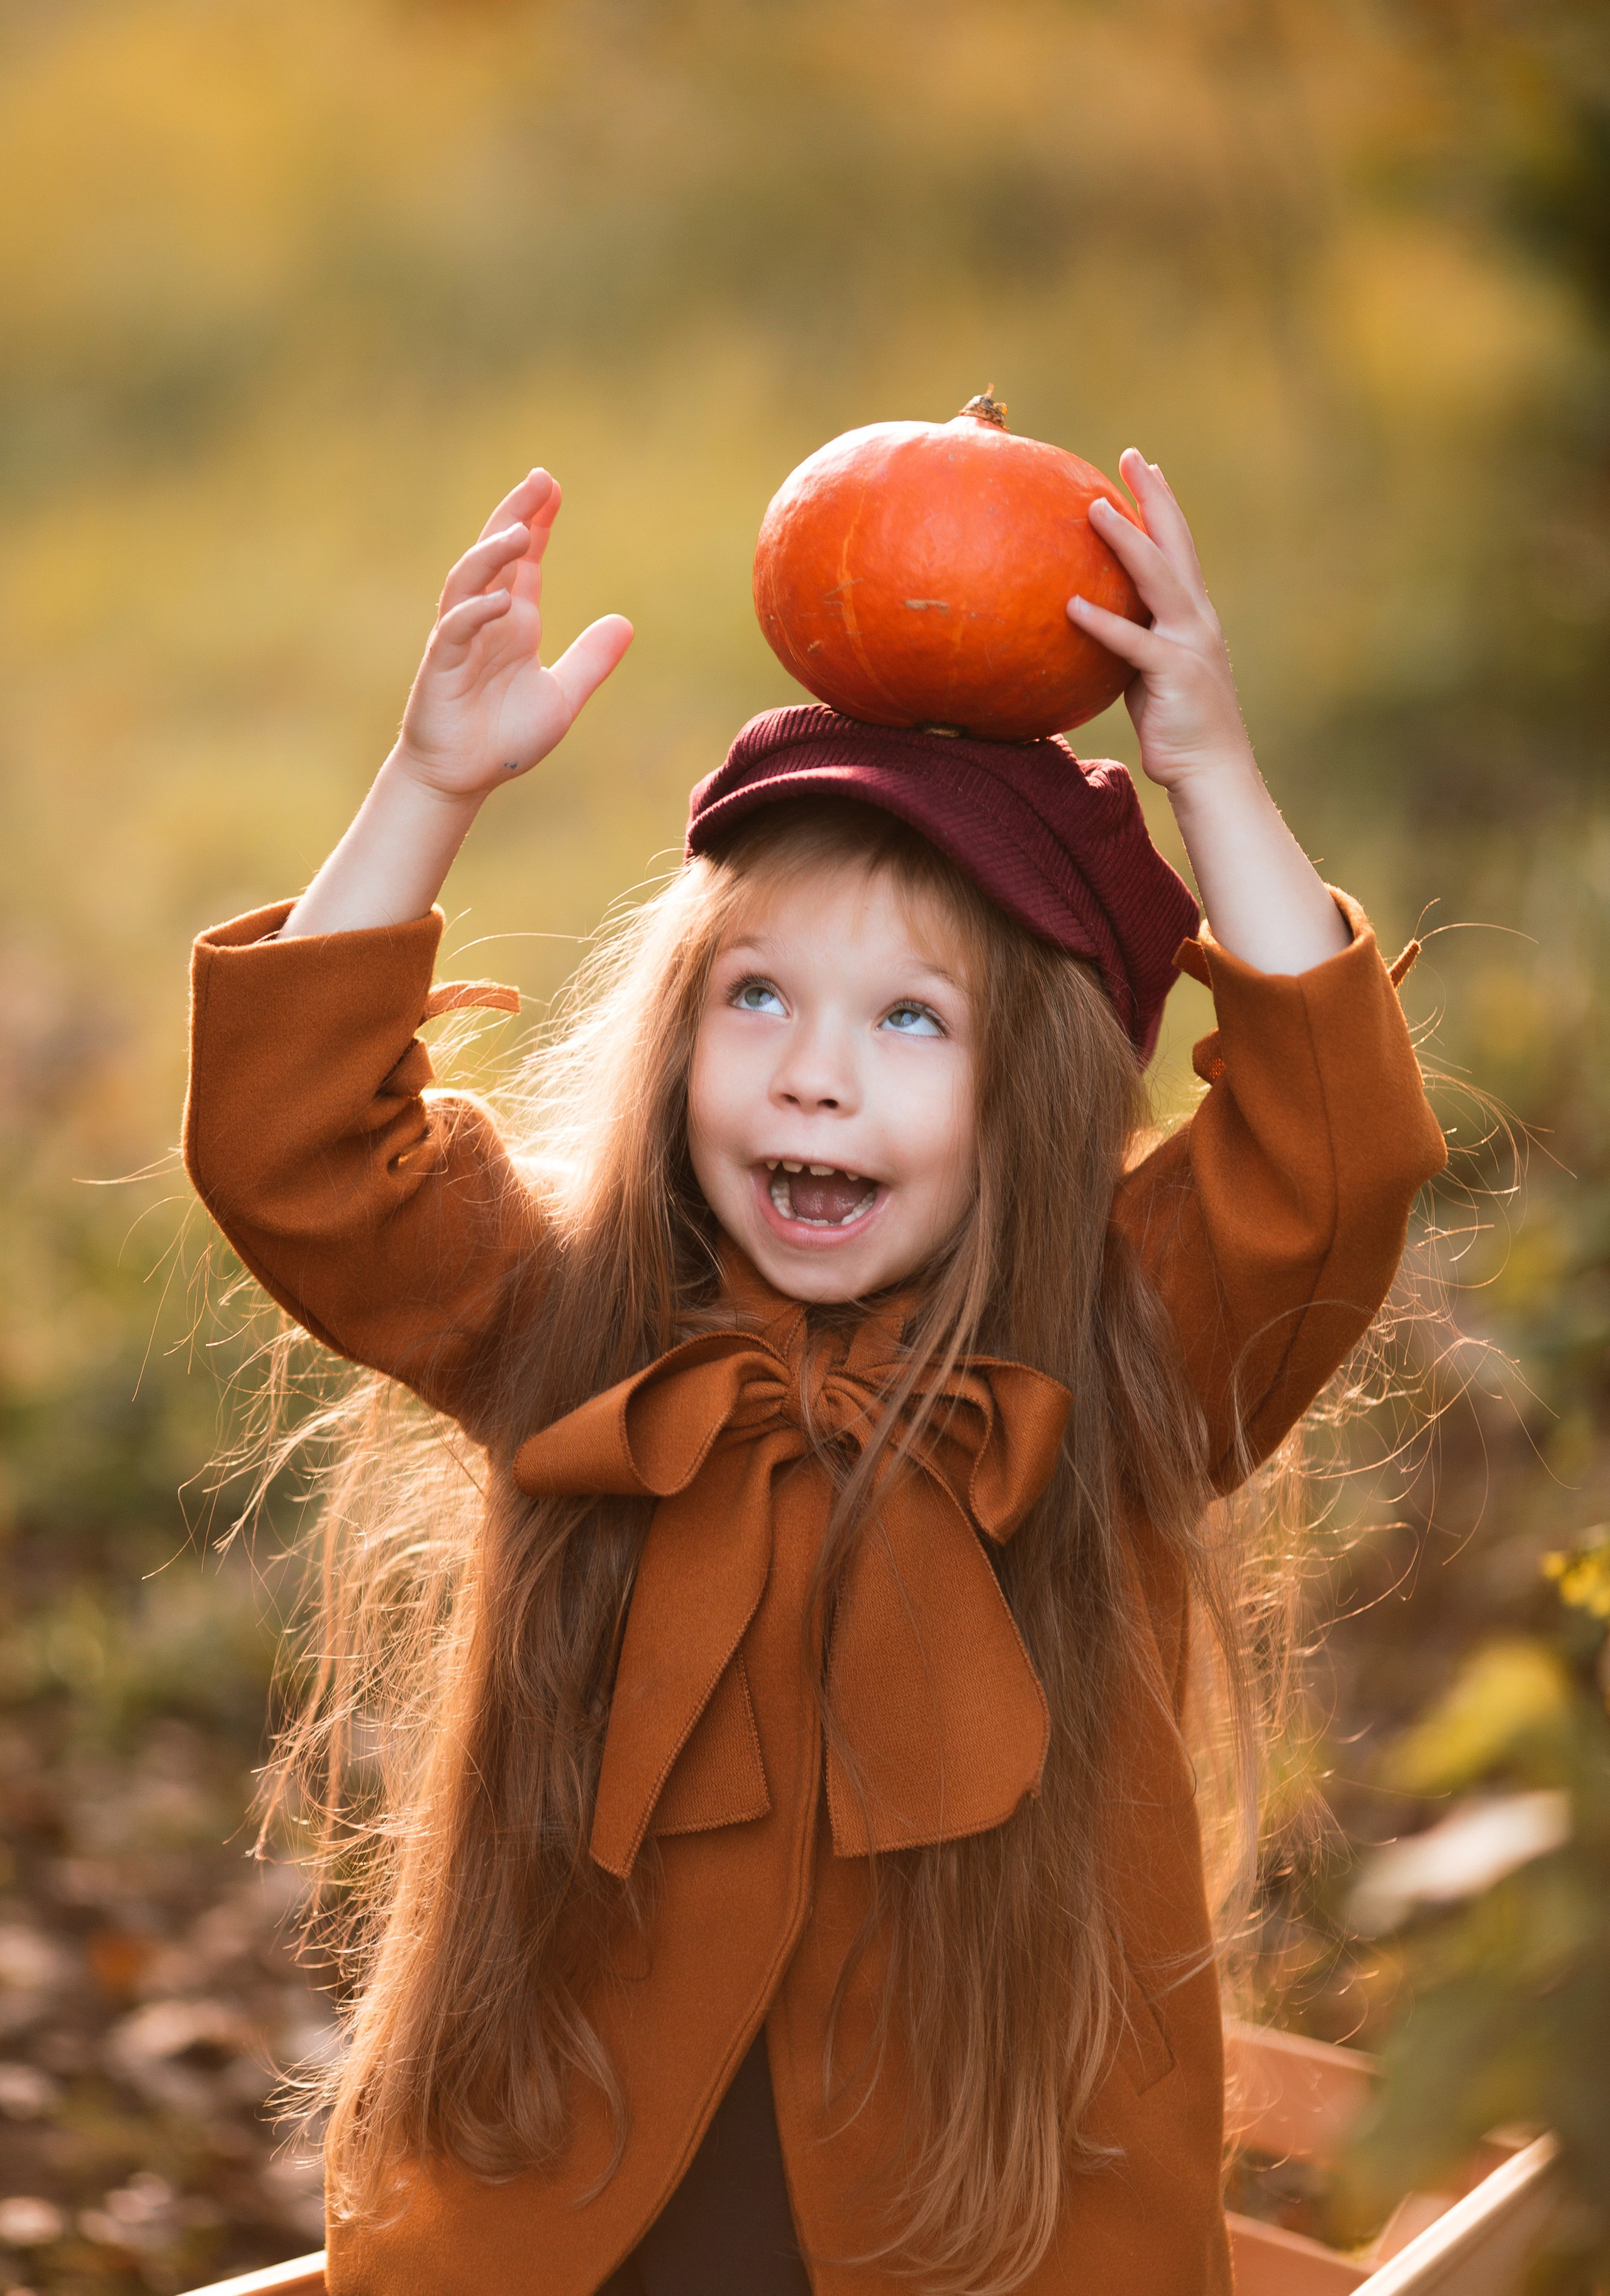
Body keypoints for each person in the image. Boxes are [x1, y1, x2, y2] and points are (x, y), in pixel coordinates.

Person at [184, 452, 1445, 2295]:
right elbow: (295, 1151)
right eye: (757, 996)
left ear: (1043, 1092)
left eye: (910, 1020)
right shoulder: (580, 1334)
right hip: (582, 2216)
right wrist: (431, 781)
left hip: (1000, 2233)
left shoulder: (1119, 1363)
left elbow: (1331, 1164)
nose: (812, 1077)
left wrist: (1213, 776)